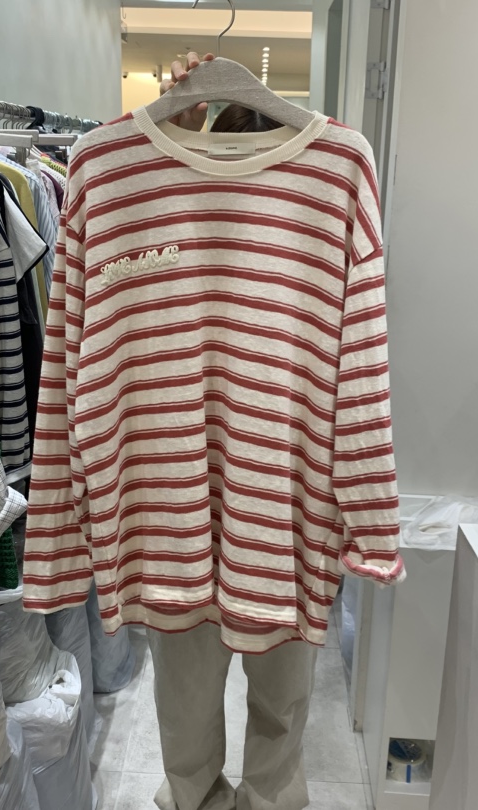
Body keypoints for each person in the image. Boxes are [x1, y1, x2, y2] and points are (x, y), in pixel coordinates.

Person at [147, 52, 321, 810]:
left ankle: (217, 798)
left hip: (274, 504)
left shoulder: (334, 177)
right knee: (240, 707)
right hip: (213, 505)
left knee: (212, 703)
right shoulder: (120, 180)